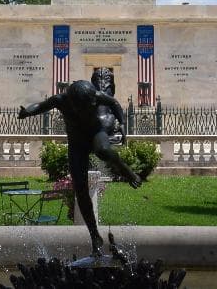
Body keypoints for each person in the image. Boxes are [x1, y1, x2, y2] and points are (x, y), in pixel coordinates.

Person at [19, 77, 141, 255]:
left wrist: (122, 123)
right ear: (74, 103)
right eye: (85, 106)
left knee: (103, 151)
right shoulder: (61, 100)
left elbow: (113, 103)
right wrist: (27, 112)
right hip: (77, 143)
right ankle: (95, 236)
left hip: (95, 133)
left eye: (92, 104)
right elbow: (41, 106)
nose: (91, 107)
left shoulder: (95, 96)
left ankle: (127, 172)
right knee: (80, 188)